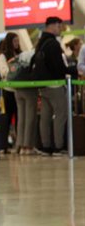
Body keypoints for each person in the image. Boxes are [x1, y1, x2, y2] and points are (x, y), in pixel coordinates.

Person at [32, 16, 75, 156]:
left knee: (45, 116)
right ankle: (58, 146)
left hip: (42, 85)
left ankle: (45, 146)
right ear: (51, 26)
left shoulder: (41, 42)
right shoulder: (53, 44)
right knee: (61, 114)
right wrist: (71, 70)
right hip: (55, 85)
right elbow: (58, 67)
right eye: (58, 26)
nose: (60, 29)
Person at [0, 32, 21, 153]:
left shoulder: (20, 54)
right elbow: (3, 72)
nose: (17, 44)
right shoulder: (3, 56)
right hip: (7, 90)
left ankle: (19, 144)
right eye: (14, 41)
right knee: (6, 118)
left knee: (19, 118)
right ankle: (3, 145)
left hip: (19, 90)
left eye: (18, 41)